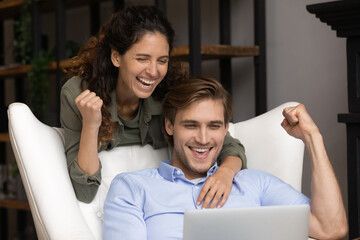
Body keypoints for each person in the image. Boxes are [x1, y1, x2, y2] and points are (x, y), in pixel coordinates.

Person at [103, 76, 348, 240]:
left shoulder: (256, 184)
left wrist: (313, 139)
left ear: (225, 130)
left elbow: (332, 229)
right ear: (169, 126)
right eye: (191, 125)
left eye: (214, 126)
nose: (203, 138)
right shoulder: (133, 188)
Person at [60, 5, 246, 204]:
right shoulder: (79, 95)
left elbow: (228, 145)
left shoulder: (171, 90)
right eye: (142, 59)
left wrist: (225, 173)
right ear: (116, 57)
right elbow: (84, 191)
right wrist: (90, 126)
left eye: (162, 60)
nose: (154, 71)